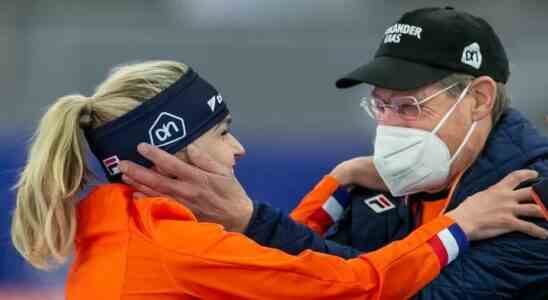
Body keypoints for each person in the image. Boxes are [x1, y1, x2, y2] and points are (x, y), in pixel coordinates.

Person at [10, 60, 547, 300]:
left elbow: (275, 267)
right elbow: (358, 285)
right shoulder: (176, 245)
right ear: (169, 150)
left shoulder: (117, 223)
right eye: (223, 133)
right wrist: (458, 224)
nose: (239, 148)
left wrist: (336, 185)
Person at [120, 7, 548, 300]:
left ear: (478, 99)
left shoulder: (528, 195)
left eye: (409, 107)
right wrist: (339, 179)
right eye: (381, 105)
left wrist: (250, 221)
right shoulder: (372, 185)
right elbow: (311, 284)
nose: (390, 126)